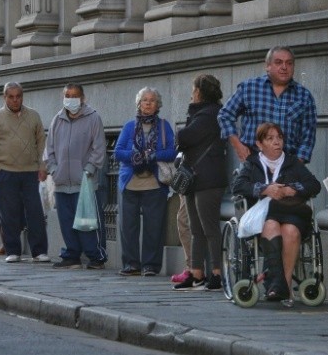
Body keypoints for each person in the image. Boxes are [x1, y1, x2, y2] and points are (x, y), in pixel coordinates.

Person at [232, 123, 321, 303]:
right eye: (270, 138)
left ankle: (283, 285)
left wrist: (292, 189)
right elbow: (238, 186)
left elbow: (314, 185)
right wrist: (265, 189)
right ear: (259, 144)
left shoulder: (292, 163)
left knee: (291, 231)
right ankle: (280, 285)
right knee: (271, 225)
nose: (276, 142)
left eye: (279, 138)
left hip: (292, 213)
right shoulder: (252, 164)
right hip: (266, 215)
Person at [0, 82, 50, 263]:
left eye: (18, 96)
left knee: (35, 212)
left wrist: (42, 166)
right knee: (8, 212)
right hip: (6, 172)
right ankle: (13, 250)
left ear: (22, 96)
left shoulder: (34, 116)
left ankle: (39, 251)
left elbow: (41, 143)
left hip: (30, 172)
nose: (15, 100)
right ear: (4, 97)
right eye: (11, 97)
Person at [173, 75, 229, 291]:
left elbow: (184, 137)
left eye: (193, 89)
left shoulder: (209, 114)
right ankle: (197, 273)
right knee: (196, 228)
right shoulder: (201, 113)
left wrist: (181, 132)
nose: (191, 93)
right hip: (194, 179)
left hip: (208, 179)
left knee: (209, 228)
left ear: (200, 92)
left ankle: (216, 273)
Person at [44, 83, 108, 270]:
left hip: (85, 182)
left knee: (89, 222)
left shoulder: (93, 118)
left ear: (82, 98)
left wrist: (89, 169)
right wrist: (54, 169)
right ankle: (72, 255)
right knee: (67, 220)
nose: (70, 99)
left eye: (74, 95)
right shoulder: (57, 120)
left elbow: (98, 148)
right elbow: (50, 150)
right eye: (67, 95)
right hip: (62, 181)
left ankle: (96, 256)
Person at [114, 87, 176, 276]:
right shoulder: (129, 127)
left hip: (154, 184)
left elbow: (172, 151)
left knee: (154, 227)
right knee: (128, 227)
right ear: (139, 104)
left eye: (152, 100)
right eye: (144, 100)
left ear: (158, 105)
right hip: (131, 182)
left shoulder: (164, 126)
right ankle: (131, 264)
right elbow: (118, 152)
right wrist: (135, 155)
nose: (148, 103)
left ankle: (150, 265)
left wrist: (153, 155)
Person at [218, 46, 317, 163]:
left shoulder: (304, 96)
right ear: (268, 66)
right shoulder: (249, 88)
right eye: (278, 62)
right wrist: (238, 146)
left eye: (289, 63)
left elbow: (308, 135)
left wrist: (297, 165)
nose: (284, 67)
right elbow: (225, 115)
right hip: (254, 161)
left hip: (287, 164)